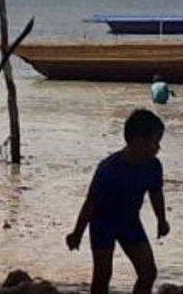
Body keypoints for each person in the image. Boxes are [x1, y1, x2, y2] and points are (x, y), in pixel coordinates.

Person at [66, 109, 168, 294]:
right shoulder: (109, 169)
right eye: (155, 142)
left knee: (148, 272)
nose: (158, 147)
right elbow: (91, 203)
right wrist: (77, 233)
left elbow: (156, 194)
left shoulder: (154, 166)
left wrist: (162, 220)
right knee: (102, 276)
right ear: (138, 141)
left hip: (130, 222)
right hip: (103, 223)